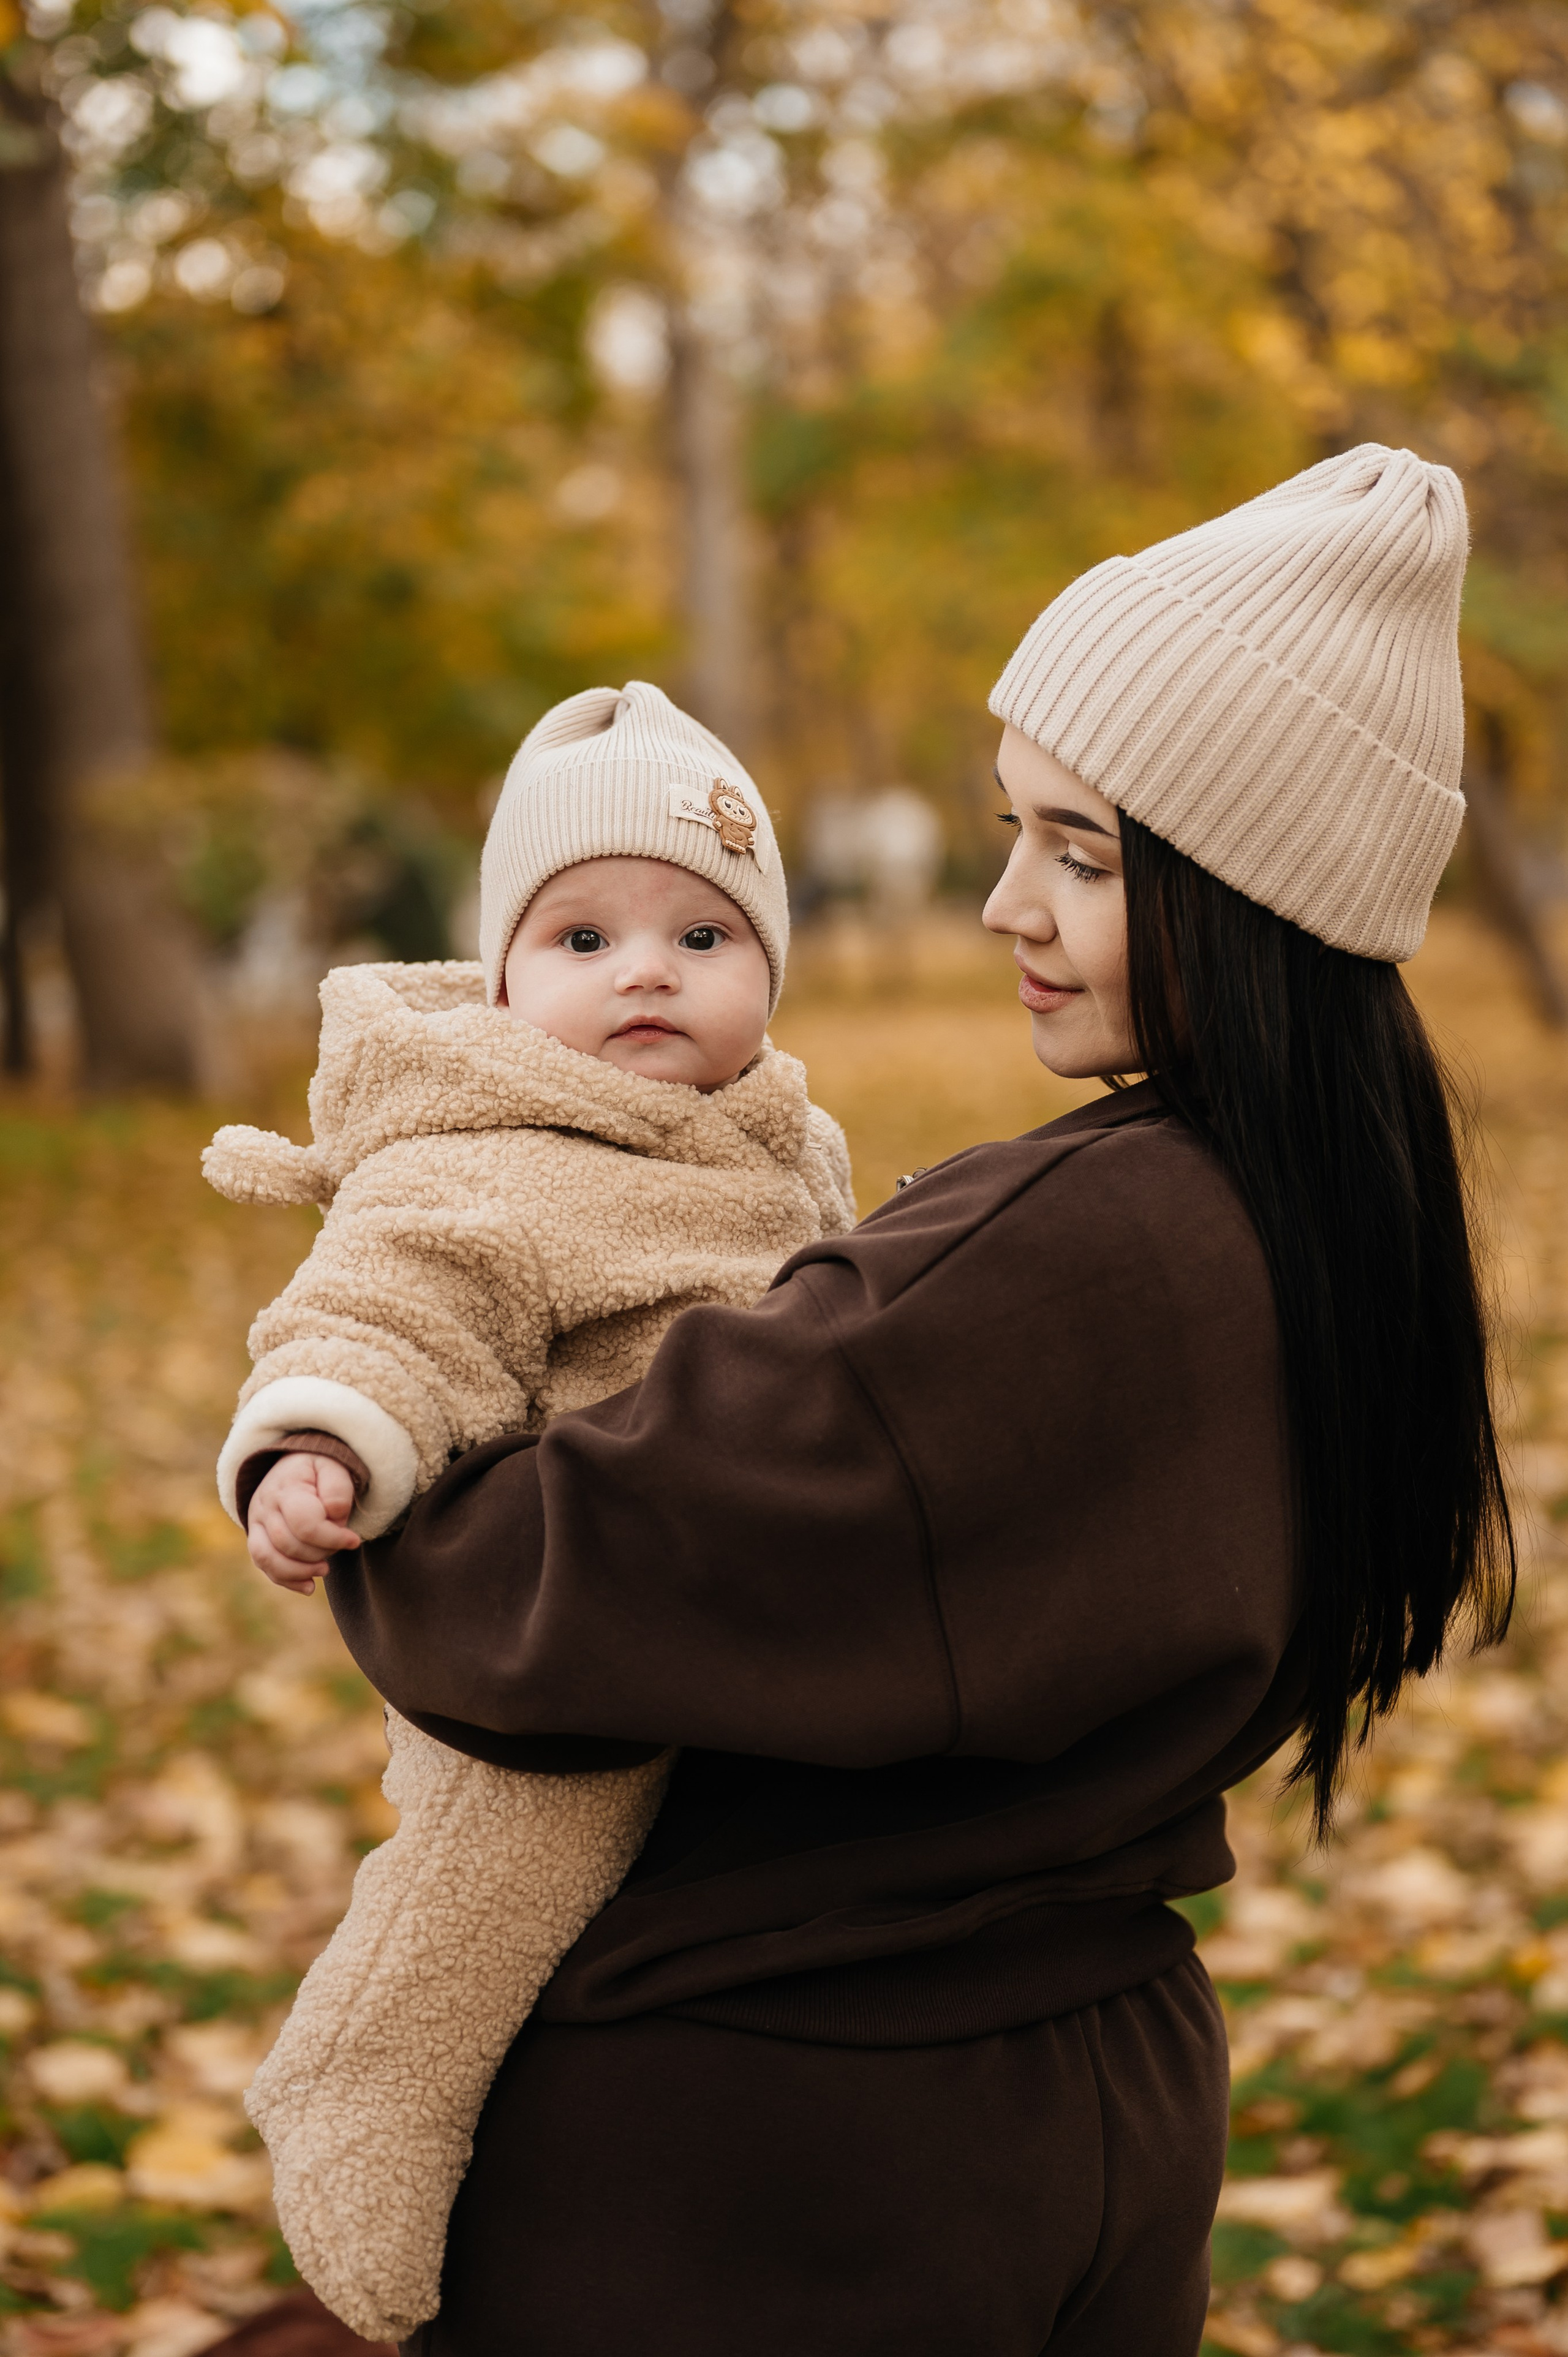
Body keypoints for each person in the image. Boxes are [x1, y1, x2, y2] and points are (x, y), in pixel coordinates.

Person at [241, 445, 1515, 2356]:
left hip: (799, 2148)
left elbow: (526, 1590)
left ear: (1251, 889)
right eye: (1016, 833)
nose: (1008, 901)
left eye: (1081, 856)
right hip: (1095, 2093)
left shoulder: (1094, 1249)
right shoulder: (1338, 1227)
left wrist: (372, 1467)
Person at [206, 682, 855, 2342]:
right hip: (554, 1652)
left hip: (727, 1604)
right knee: (504, 1872)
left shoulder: (782, 1143)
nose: (648, 970)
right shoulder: (476, 1155)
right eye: (583, 938)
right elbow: (390, 1310)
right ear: (501, 977)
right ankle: (362, 2096)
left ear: (769, 970)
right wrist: (324, 1444)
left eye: (704, 935)